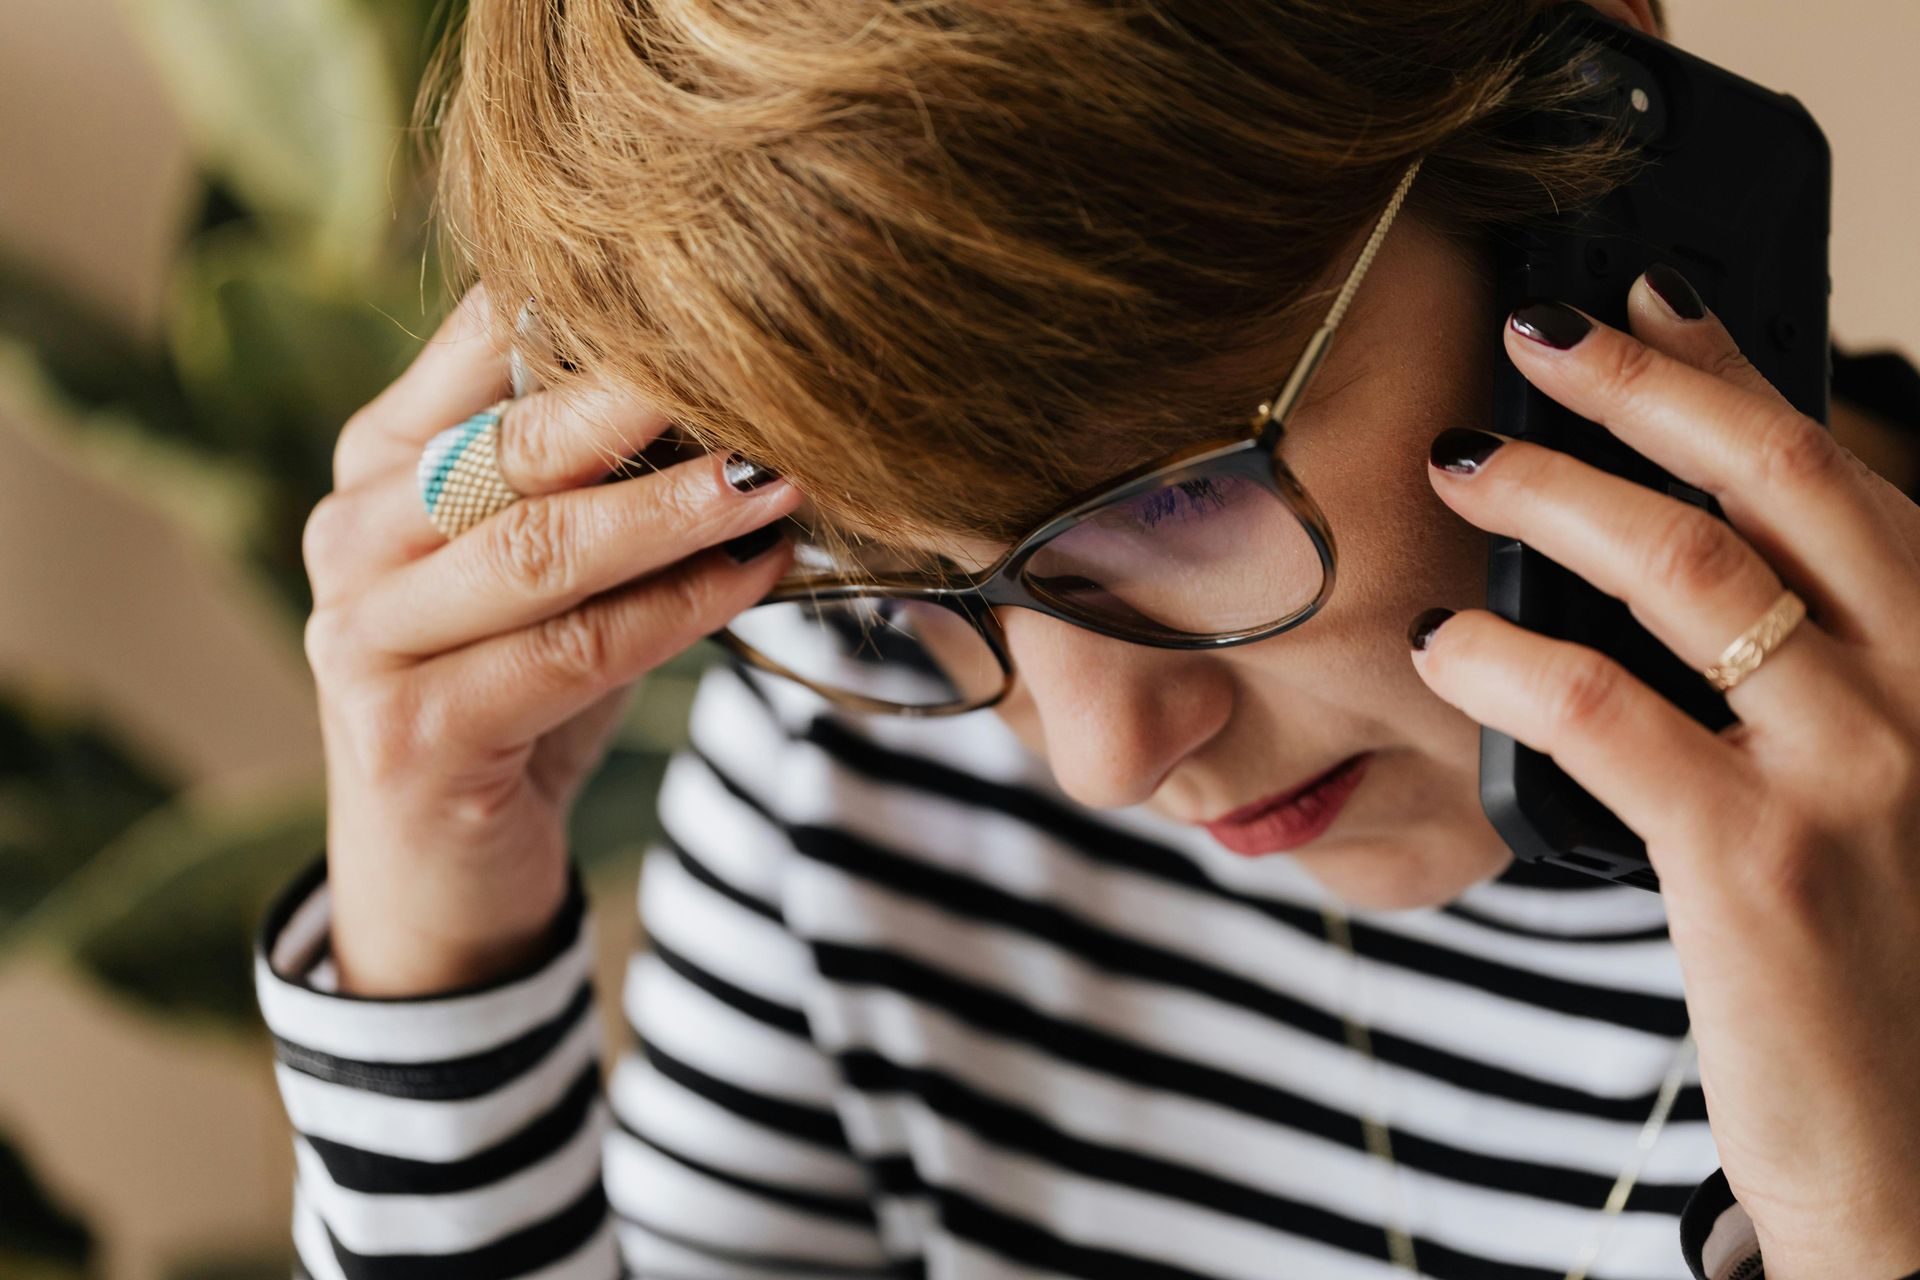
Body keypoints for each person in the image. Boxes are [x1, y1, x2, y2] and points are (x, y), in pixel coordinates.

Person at [259, 0, 1920, 1276]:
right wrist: (435, 952)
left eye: (1180, 497)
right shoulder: (855, 755)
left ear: (1597, 127)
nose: (1103, 759)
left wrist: (1869, 1209)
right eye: (901, 569)